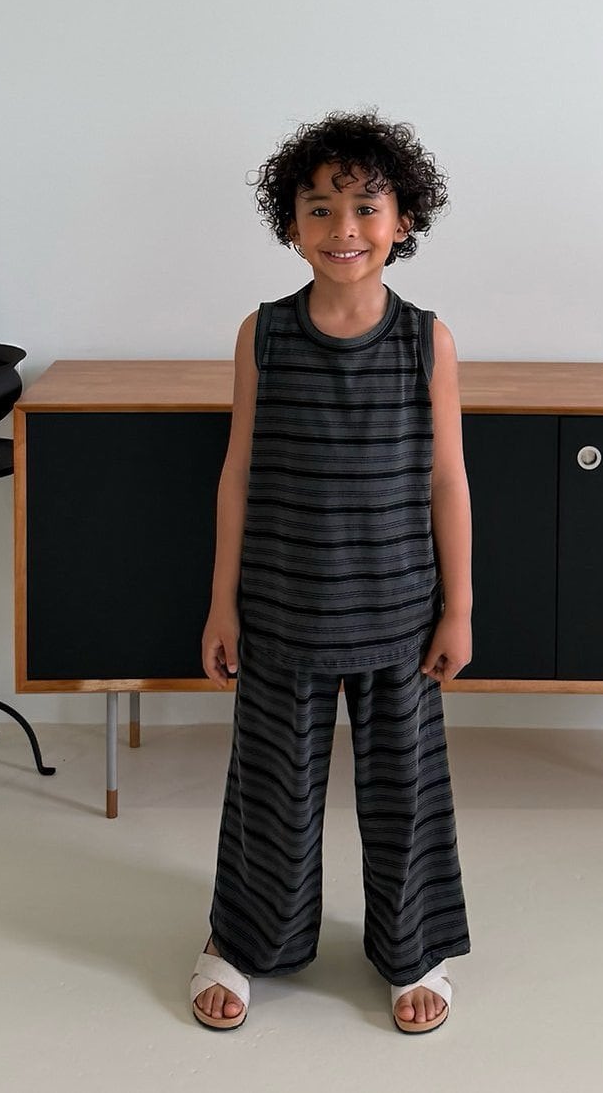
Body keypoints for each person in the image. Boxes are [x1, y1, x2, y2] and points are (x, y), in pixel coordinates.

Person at [190, 108, 472, 1036]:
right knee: (272, 794)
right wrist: (222, 603)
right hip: (282, 611)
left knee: (405, 797)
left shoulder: (426, 341)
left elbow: (447, 480)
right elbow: (237, 472)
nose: (342, 229)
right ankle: (243, 941)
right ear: (291, 225)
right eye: (319, 209)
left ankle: (412, 948)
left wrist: (459, 609)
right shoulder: (263, 335)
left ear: (401, 221)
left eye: (364, 208)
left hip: (399, 614)